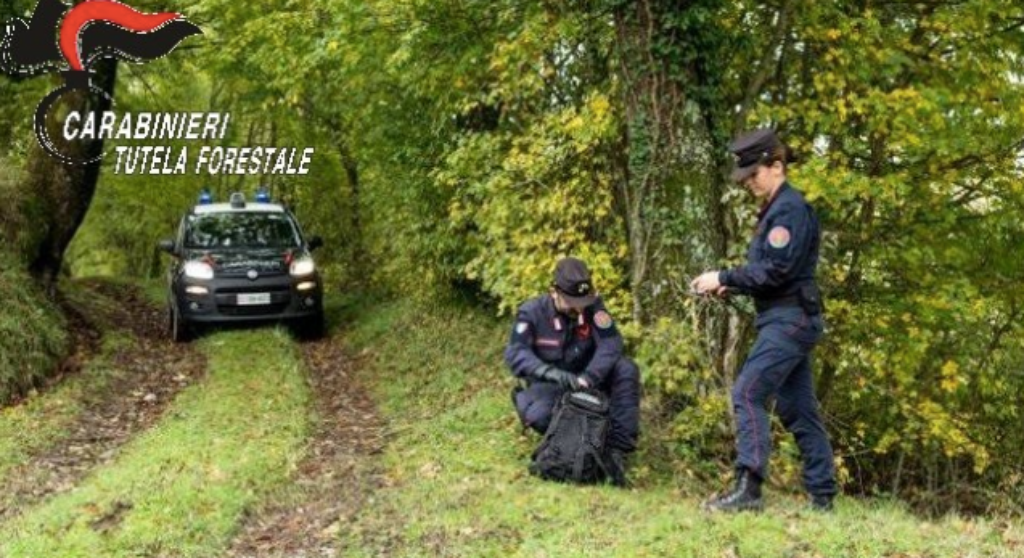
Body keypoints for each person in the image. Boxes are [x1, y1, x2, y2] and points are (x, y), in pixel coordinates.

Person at [691, 128, 837, 512]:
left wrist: (723, 277)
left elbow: (775, 271)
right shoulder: (777, 209)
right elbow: (771, 273)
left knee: (747, 392)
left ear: (776, 166)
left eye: (754, 174)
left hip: (790, 321)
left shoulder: (789, 210)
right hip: (787, 317)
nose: (749, 183)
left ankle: (749, 490)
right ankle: (823, 497)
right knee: (798, 409)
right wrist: (734, 287)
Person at [505, 257, 641, 485]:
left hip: (588, 380)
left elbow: (612, 344)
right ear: (554, 292)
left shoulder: (594, 309)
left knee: (626, 369)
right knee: (538, 415)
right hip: (552, 385)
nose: (578, 307)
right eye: (571, 301)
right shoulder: (531, 313)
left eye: (582, 301)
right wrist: (550, 373)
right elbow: (516, 354)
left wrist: (589, 376)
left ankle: (616, 452)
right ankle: (573, 446)